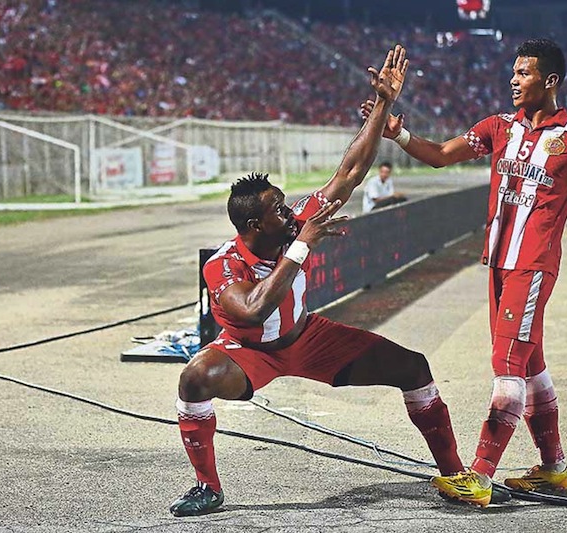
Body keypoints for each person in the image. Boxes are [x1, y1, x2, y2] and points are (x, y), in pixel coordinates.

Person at [169, 45, 464, 517]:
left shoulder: (290, 225)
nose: (290, 212)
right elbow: (251, 311)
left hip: (308, 337)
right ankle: (207, 486)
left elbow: (349, 172)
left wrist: (384, 103)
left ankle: (455, 475)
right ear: (253, 228)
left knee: (413, 367)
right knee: (195, 377)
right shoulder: (224, 263)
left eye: (287, 204)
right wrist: (303, 244)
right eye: (278, 210)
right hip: (250, 352)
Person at [360, 38, 567, 506]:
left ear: (549, 81)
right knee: (529, 363)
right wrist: (399, 136)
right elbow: (443, 153)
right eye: (513, 72)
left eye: (523, 73)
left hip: (534, 267)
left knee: (506, 365)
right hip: (498, 264)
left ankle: (481, 475)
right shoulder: (498, 127)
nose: (513, 79)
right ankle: (553, 468)